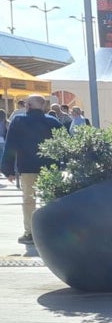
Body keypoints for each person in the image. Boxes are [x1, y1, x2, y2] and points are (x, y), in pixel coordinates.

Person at [1, 94, 61, 243]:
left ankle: (30, 233)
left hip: (27, 167)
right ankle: (51, 230)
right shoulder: (53, 122)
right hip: (50, 167)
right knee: (50, 199)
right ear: (43, 106)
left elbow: (11, 146)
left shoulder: (19, 121)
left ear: (27, 106)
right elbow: (63, 144)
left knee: (28, 201)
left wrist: (7, 169)